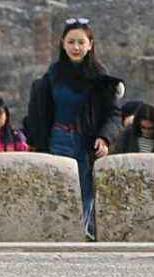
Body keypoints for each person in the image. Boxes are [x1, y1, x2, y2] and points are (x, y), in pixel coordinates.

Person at [24, 18, 122, 229]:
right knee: (56, 191)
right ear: (62, 43)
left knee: (85, 192)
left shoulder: (101, 78)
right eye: (71, 42)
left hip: (86, 143)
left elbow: (113, 114)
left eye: (81, 42)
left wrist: (104, 138)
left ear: (90, 44)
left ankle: (79, 234)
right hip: (57, 140)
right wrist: (33, 138)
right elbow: (38, 111)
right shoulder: (53, 75)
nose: (76, 47)